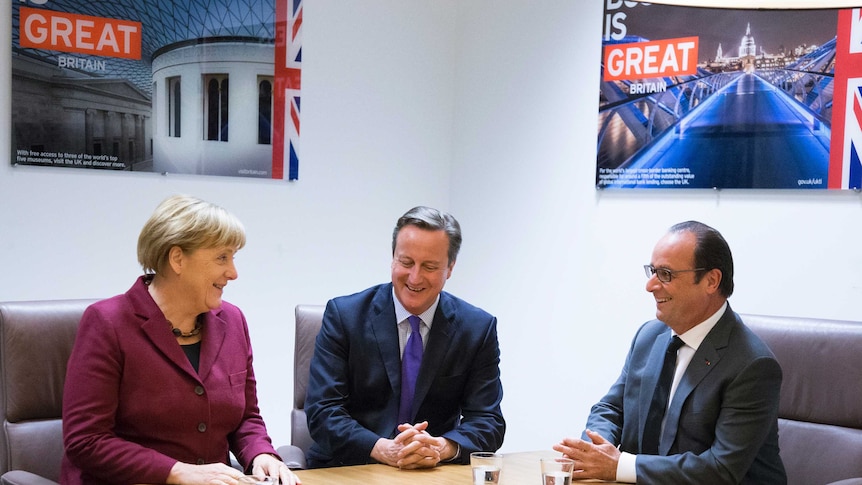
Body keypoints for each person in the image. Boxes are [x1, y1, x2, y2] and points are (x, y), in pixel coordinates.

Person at [61, 195, 300, 485]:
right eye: (222, 257)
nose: (233, 273)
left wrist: (260, 454)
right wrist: (176, 471)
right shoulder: (107, 322)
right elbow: (86, 440)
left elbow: (245, 417)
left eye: (233, 258)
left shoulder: (233, 321)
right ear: (178, 259)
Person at [554, 221, 786, 484]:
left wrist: (620, 466)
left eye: (665, 274)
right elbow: (611, 408)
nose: (650, 285)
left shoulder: (753, 365)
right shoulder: (649, 337)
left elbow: (721, 469)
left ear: (711, 280)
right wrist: (594, 450)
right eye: (652, 271)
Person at [304, 206, 505, 469]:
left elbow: (488, 421)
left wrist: (442, 447)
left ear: (450, 268)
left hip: (432, 472)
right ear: (393, 258)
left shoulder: (477, 328)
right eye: (406, 262)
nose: (415, 277)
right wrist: (383, 449)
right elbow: (323, 411)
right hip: (350, 467)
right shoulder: (345, 316)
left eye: (430, 266)